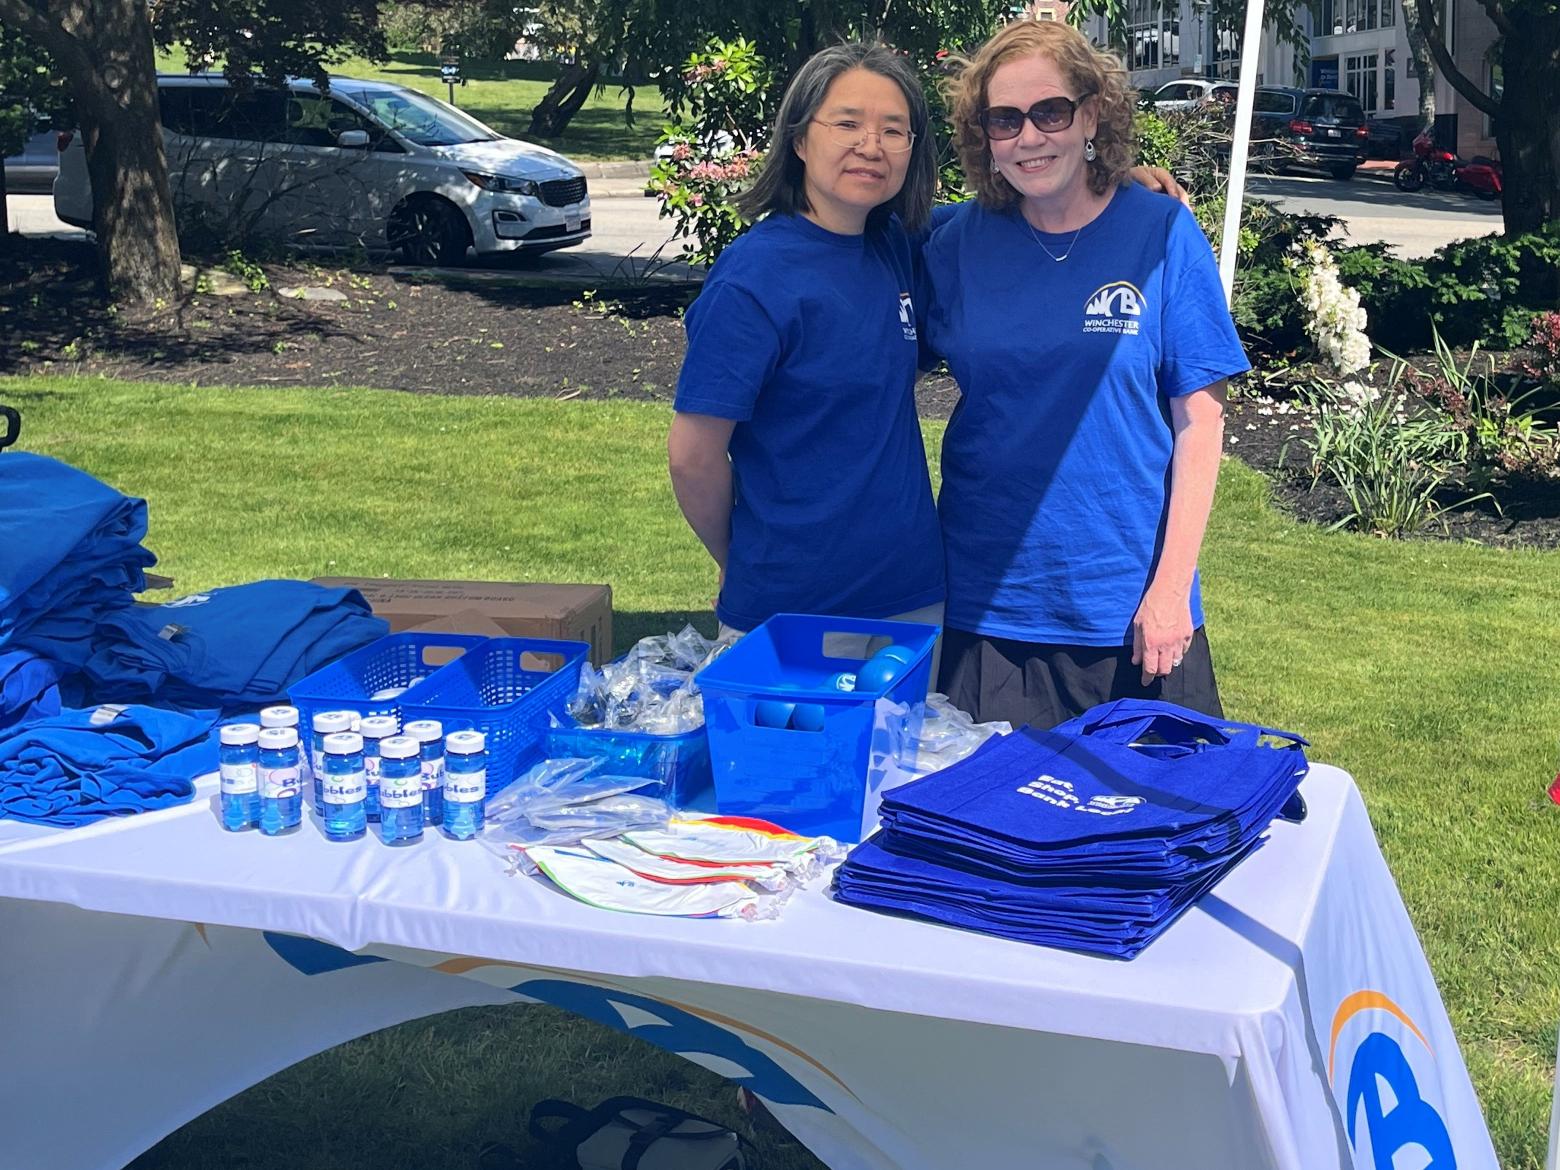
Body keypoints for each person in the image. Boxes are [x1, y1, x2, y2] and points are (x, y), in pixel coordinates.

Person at [668, 41, 1185, 650]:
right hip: (792, 609)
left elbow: (1031, 200)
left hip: (914, 598)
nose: (871, 145)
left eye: (894, 129)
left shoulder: (896, 245)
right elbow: (693, 457)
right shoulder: (753, 279)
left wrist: (1109, 178)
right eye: (848, 123)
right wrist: (736, 558)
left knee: (914, 749)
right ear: (800, 139)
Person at [922, 19, 1250, 728]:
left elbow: (1201, 421)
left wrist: (1169, 591)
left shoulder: (1159, 232)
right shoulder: (954, 242)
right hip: (990, 606)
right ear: (984, 136)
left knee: (1156, 828)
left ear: (1092, 113)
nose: (1030, 137)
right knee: (992, 830)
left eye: (1051, 112)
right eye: (1004, 120)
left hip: (1131, 609)